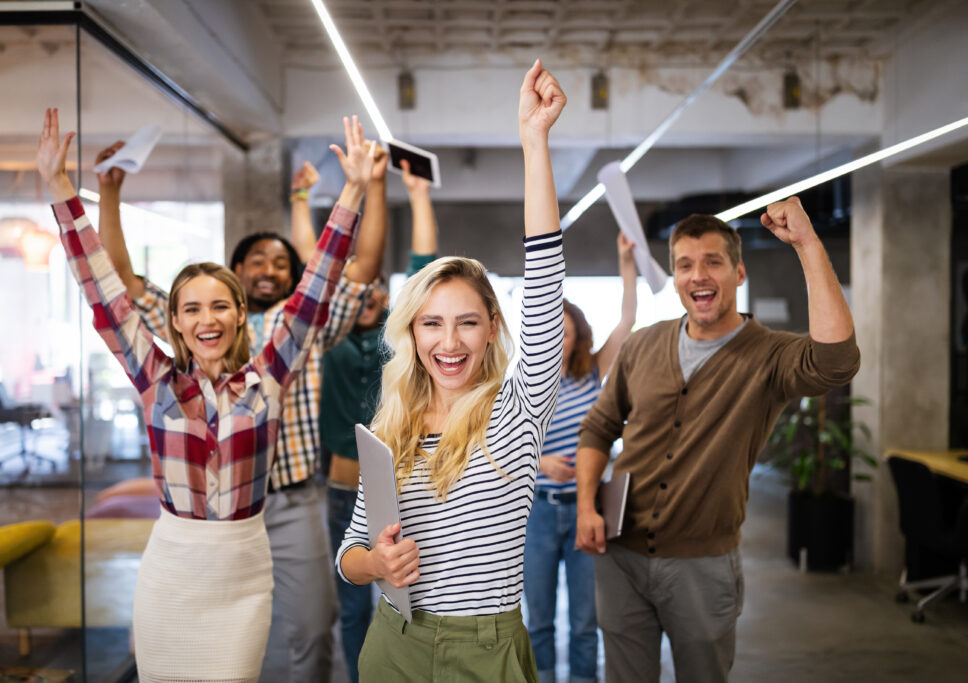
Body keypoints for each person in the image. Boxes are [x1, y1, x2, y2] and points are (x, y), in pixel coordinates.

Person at [37, 108, 375, 682]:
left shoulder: (267, 379)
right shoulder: (155, 380)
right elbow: (103, 292)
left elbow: (315, 288)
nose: (207, 319)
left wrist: (355, 191)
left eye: (220, 305)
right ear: (174, 320)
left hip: (242, 574)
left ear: (241, 314)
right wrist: (62, 189)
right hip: (172, 572)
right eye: (191, 308)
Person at [336, 59, 566, 682]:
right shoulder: (392, 425)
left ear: (492, 325)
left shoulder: (518, 409)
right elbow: (349, 553)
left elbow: (545, 281)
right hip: (393, 643)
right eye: (432, 323)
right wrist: (376, 566)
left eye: (467, 321)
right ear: (412, 333)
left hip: (484, 649)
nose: (450, 341)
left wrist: (533, 143)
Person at [574, 202, 861, 682]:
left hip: (702, 566)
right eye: (685, 264)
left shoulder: (769, 356)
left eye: (712, 261)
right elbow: (599, 427)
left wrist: (809, 245)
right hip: (619, 557)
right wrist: (587, 506)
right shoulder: (643, 344)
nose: (698, 275)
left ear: (739, 272)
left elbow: (836, 362)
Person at [316, 158, 439, 683]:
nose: (366, 295)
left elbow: (424, 264)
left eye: (374, 292)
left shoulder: (400, 340)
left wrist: (414, 192)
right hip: (343, 486)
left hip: (400, 483)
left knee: (405, 594)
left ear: (387, 298)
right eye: (356, 290)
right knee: (352, 603)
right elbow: (325, 267)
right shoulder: (327, 337)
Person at [523, 233, 637, 683]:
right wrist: (540, 464)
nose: (558, 336)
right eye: (550, 327)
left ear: (576, 335)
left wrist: (626, 263)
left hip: (587, 509)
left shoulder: (592, 370)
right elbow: (495, 450)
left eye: (565, 330)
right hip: (538, 514)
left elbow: (628, 320)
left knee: (587, 622)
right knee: (540, 620)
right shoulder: (524, 381)